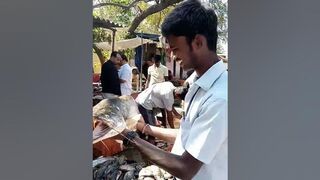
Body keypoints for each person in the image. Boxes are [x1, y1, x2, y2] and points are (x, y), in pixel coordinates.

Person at [96, 1, 227, 179]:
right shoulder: (197, 83)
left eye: (175, 49)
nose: (172, 56)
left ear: (198, 42)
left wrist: (128, 135)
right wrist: (144, 127)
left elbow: (185, 168)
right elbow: (186, 135)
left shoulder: (219, 98)